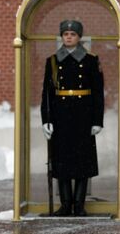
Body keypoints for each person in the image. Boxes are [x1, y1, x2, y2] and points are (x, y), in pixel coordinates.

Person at [41, 20, 104, 217]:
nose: (69, 37)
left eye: (73, 34)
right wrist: (46, 119)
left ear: (79, 37)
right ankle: (65, 205)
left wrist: (96, 120)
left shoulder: (91, 60)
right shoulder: (52, 61)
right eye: (66, 33)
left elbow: (98, 93)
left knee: (82, 162)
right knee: (62, 162)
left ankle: (79, 206)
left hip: (83, 115)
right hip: (61, 116)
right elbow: (47, 94)